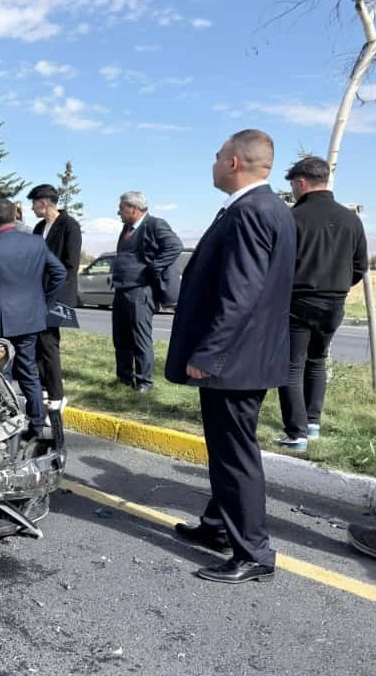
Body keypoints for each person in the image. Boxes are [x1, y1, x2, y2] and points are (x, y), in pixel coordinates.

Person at [165, 129, 296, 584]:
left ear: (235, 163)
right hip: (249, 356)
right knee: (228, 448)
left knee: (235, 453)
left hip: (234, 360)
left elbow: (240, 294)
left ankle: (254, 553)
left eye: (218, 155)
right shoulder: (272, 208)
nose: (214, 162)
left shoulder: (250, 212)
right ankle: (219, 526)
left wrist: (209, 353)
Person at [274, 156, 368, 451]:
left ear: (301, 182)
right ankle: (312, 424)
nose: (292, 191)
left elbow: (277, 265)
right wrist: (336, 288)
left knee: (290, 366)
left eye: (292, 185)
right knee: (316, 361)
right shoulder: (351, 219)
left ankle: (296, 433)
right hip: (334, 304)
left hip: (297, 301)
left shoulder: (292, 218)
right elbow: (359, 266)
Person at [0, 198, 66, 439]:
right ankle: (35, 427)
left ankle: (3, 427)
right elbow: (59, 273)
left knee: (0, 375)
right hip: (31, 318)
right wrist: (45, 303)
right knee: (29, 372)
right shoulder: (36, 242)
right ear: (14, 216)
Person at [111, 190, 182, 392]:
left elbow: (175, 246)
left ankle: (144, 383)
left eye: (121, 208)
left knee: (139, 338)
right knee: (121, 338)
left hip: (141, 292)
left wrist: (154, 267)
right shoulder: (126, 228)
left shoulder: (154, 224)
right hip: (121, 290)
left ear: (133, 209)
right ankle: (124, 379)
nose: (118, 212)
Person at [28, 184, 82, 411]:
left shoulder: (70, 226)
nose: (31, 208)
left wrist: (53, 297)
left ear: (44, 202)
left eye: (34, 203)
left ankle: (57, 396)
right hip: (36, 295)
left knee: (49, 344)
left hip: (55, 296)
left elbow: (71, 266)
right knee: (38, 344)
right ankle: (43, 389)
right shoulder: (39, 227)